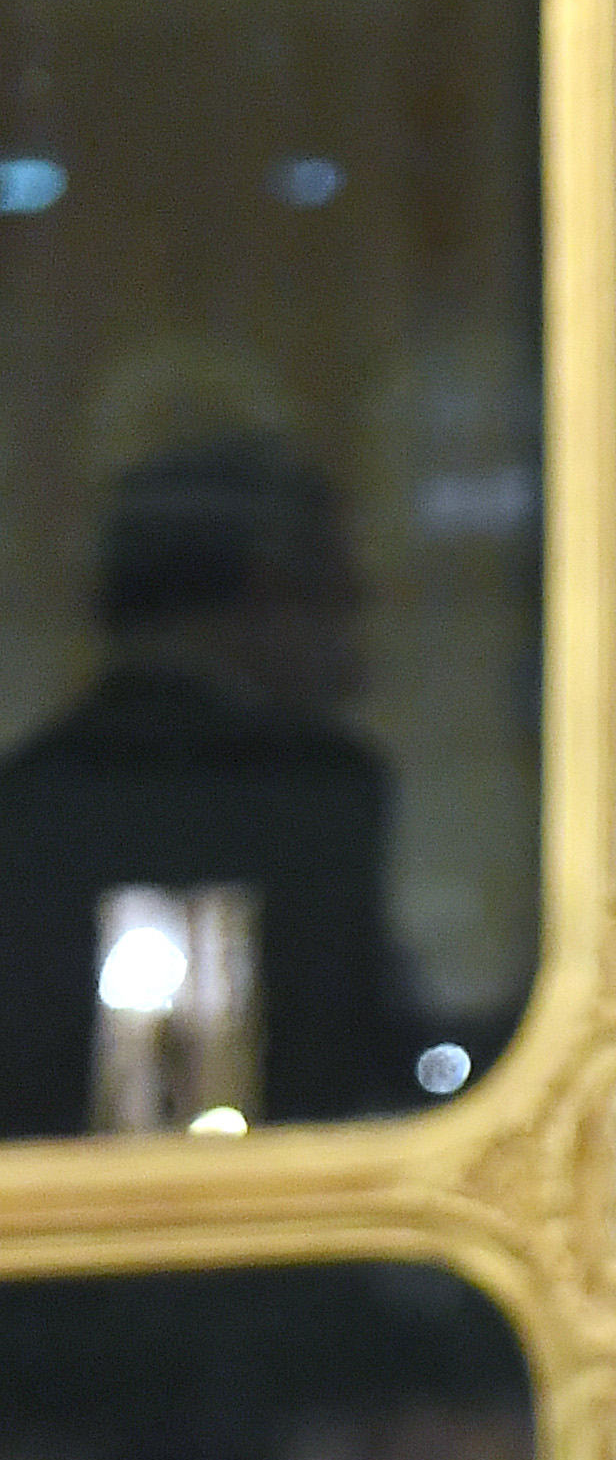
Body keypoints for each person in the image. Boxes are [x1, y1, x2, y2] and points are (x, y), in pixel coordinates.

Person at [0, 430, 482, 1137]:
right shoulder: (316, 791)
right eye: (337, 594)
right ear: (271, 590)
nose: (357, 625)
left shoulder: (30, 795)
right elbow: (345, 1060)